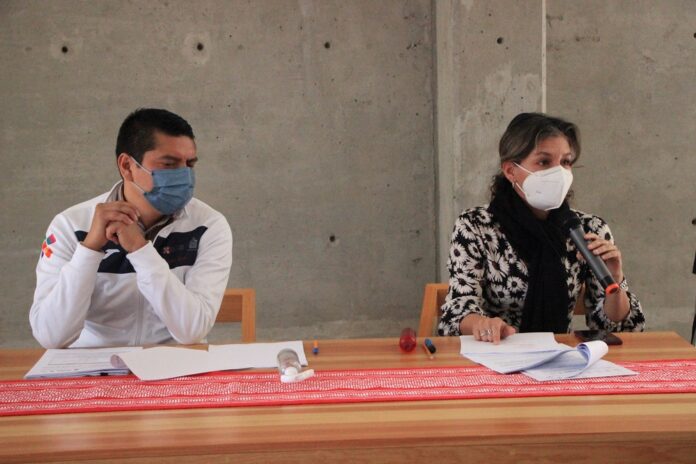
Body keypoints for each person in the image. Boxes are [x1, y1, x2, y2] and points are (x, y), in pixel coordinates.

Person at [30, 108, 233, 348]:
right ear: (127, 166)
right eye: (169, 164)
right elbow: (51, 335)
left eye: (189, 164)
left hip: (172, 363)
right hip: (92, 364)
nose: (184, 176)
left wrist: (140, 249)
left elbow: (191, 330)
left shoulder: (208, 226)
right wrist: (90, 250)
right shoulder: (70, 225)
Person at [438, 112, 644, 343]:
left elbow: (614, 327)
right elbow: (459, 308)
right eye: (544, 162)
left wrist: (615, 279)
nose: (559, 173)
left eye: (565, 162)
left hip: (560, 353)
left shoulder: (588, 228)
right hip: (497, 350)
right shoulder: (476, 226)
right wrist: (482, 323)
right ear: (511, 171)